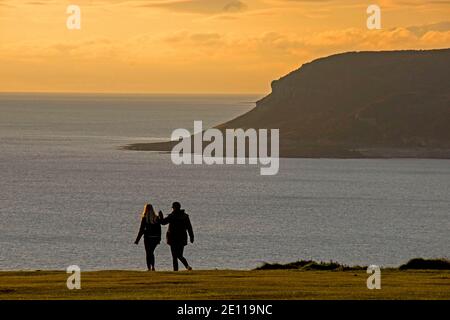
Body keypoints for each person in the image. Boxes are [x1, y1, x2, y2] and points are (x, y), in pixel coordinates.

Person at [160, 202, 194, 271]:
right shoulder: (185, 216)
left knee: (175, 256)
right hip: (182, 238)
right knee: (179, 254)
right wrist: (191, 237)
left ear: (174, 208)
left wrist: (160, 217)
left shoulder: (172, 216)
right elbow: (189, 227)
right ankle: (186, 267)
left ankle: (178, 269)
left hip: (173, 238)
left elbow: (163, 222)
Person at [134, 204, 162, 271]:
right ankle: (153, 267)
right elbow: (159, 229)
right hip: (155, 238)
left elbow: (141, 229)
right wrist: (159, 239)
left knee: (148, 253)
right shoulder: (156, 218)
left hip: (148, 238)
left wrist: (137, 240)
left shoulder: (144, 218)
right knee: (151, 252)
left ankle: (149, 268)